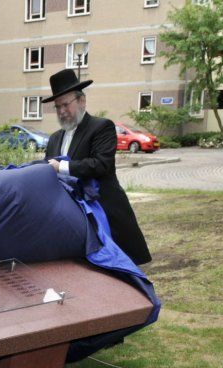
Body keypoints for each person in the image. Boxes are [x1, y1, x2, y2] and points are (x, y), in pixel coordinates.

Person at [42, 69, 152, 265]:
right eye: (57, 107)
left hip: (106, 214)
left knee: (119, 272)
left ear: (81, 101)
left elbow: (102, 164)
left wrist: (62, 167)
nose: (61, 111)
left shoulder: (101, 127)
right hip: (74, 222)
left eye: (66, 104)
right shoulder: (54, 139)